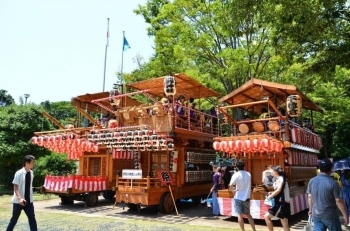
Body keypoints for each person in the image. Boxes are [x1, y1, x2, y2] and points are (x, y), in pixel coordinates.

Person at [306, 159, 348, 230]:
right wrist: (345, 215)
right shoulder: (333, 183)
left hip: (316, 215)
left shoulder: (312, 181)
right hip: (330, 215)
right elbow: (338, 200)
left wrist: (310, 209)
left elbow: (310, 196)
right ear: (331, 169)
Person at [7, 155, 37, 231]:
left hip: (29, 201)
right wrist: (20, 198)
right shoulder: (19, 173)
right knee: (14, 219)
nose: (34, 164)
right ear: (27, 163)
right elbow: (15, 187)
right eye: (33, 162)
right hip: (19, 201)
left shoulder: (31, 173)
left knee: (32, 218)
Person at [229, 159, 256, 231]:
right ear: (244, 166)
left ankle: (243, 230)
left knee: (239, 215)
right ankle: (254, 229)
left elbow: (230, 185)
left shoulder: (236, 174)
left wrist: (233, 191)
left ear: (237, 167)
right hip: (246, 196)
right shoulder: (248, 174)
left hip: (238, 196)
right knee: (248, 214)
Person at [264, 166, 290, 231]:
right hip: (286, 203)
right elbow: (280, 190)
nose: (271, 173)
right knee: (285, 224)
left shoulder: (280, 178)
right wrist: (272, 193)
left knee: (266, 217)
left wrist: (270, 196)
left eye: (272, 171)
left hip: (281, 203)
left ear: (276, 172)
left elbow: (278, 190)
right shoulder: (282, 178)